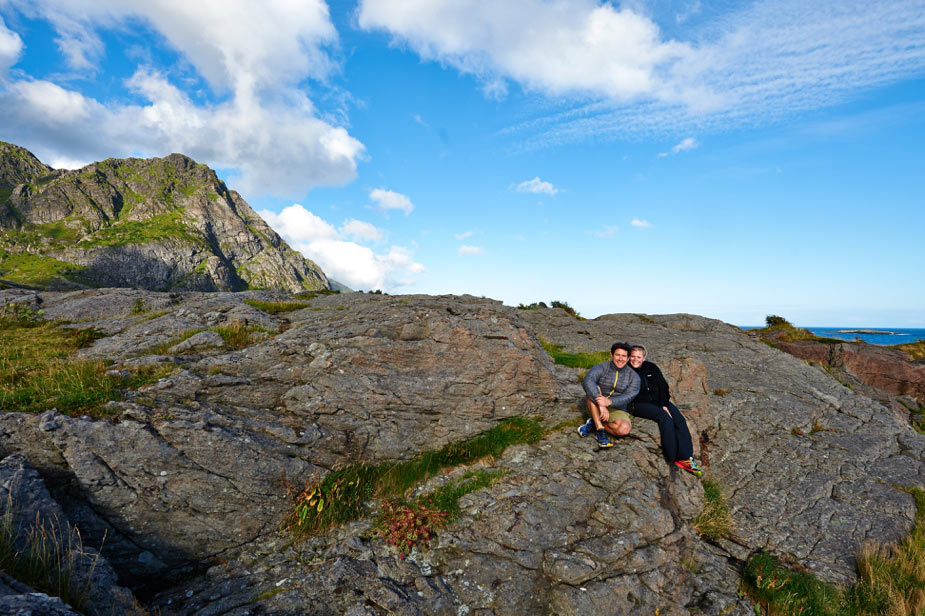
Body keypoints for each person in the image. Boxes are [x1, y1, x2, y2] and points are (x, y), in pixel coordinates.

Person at [627, 344, 701, 476]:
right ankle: (672, 457)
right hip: (637, 404)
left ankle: (686, 458)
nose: (635, 359)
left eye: (638, 357)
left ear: (644, 358)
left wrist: (664, 404)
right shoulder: (625, 370)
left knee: (679, 419)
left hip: (658, 402)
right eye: (632, 356)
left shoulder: (652, 367)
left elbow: (663, 387)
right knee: (664, 418)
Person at [577, 342, 640, 449]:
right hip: (595, 405)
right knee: (595, 388)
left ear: (628, 358)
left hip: (617, 408)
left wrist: (609, 402)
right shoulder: (601, 368)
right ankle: (600, 430)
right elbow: (588, 381)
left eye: (624, 356)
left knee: (624, 429)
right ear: (611, 355)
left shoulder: (633, 376)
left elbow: (630, 395)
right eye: (617, 355)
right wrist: (601, 404)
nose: (620, 359)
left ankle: (593, 423)